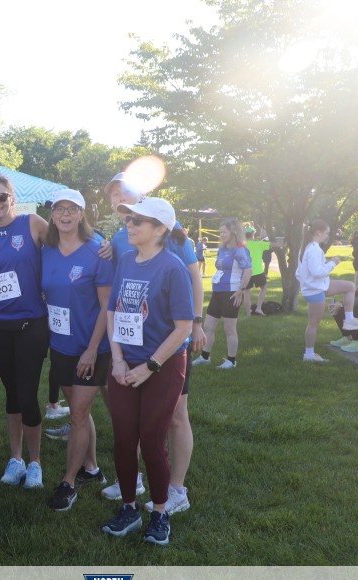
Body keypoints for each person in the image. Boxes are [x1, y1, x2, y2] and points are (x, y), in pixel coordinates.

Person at [101, 172, 204, 516]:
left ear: (160, 229)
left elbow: (182, 326)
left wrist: (149, 367)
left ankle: (163, 508)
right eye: (128, 219)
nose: (129, 225)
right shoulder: (126, 258)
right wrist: (118, 360)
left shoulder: (173, 266)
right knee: (124, 438)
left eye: (137, 221)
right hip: (125, 361)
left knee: (154, 440)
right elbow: (113, 310)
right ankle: (129, 504)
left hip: (162, 363)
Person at [0, 175, 50, 490]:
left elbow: (66, 246)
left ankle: (35, 463)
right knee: (12, 393)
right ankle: (16, 459)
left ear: (12, 197)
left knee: (28, 393)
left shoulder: (32, 223)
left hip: (32, 323)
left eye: (1, 197)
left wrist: (99, 245)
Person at [41, 190, 114, 511]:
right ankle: (92, 468)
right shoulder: (46, 251)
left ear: (82, 214)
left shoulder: (98, 252)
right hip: (60, 345)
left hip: (91, 349)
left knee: (79, 415)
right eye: (59, 209)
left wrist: (92, 349)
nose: (65, 215)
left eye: (72, 209)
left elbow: (106, 306)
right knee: (77, 411)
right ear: (52, 215)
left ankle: (68, 483)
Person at [296, 219, 358, 362]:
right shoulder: (314, 249)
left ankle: (349, 320)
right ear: (318, 232)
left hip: (317, 286)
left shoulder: (307, 247)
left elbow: (298, 273)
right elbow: (317, 272)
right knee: (313, 323)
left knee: (350, 286)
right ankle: (309, 355)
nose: (328, 236)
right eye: (327, 233)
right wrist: (333, 263)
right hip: (315, 290)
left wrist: (306, 283)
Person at [192, 219, 251, 368]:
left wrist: (241, 290)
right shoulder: (222, 249)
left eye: (225, 231)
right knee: (208, 326)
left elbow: (248, 270)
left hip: (232, 293)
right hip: (217, 292)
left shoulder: (240, 249)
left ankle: (231, 361)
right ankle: (205, 357)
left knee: (229, 329)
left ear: (234, 232)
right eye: (221, 232)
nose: (222, 234)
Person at [243, 228, 270, 316]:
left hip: (245, 271)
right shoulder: (259, 244)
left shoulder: (241, 245)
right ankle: (258, 308)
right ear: (253, 235)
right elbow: (273, 245)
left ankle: (248, 313)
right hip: (258, 271)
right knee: (264, 288)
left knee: (247, 292)